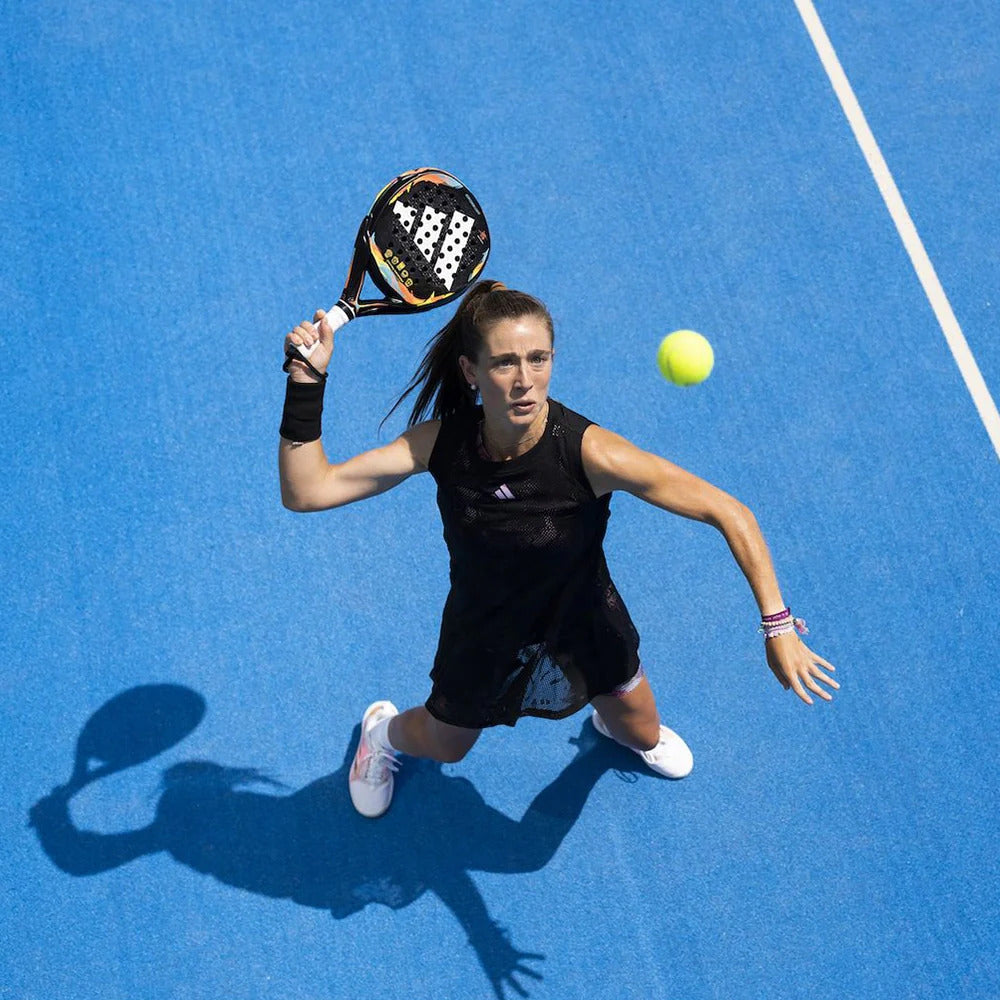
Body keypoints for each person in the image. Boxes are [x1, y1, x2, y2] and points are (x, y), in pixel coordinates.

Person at [278, 281, 838, 818]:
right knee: (447, 747)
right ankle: (381, 733)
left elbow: (729, 511)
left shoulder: (590, 454)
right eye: (505, 363)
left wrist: (778, 624)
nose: (525, 380)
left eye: (538, 359)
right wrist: (306, 379)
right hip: (485, 630)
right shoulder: (441, 443)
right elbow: (307, 491)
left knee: (641, 732)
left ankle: (606, 721)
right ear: (471, 372)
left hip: (583, 621)